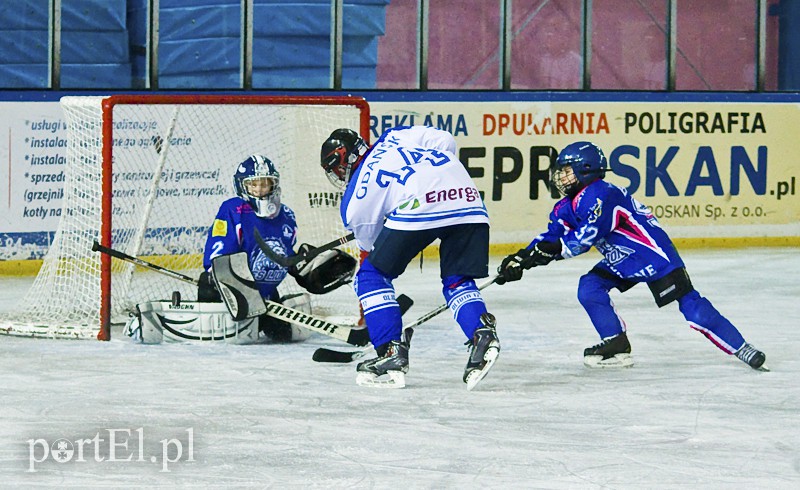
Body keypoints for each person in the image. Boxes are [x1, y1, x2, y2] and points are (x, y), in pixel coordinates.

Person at [496, 141, 768, 371]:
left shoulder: (603, 194)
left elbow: (583, 239)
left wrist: (546, 253)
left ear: (586, 170)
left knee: (692, 307)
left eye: (566, 172)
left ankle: (742, 347)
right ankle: (615, 342)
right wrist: (522, 258)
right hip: (621, 259)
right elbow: (554, 235)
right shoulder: (567, 205)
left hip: (652, 256)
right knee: (590, 287)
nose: (560, 178)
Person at [319, 126, 499, 389]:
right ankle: (482, 335)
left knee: (371, 276)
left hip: (421, 207)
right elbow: (446, 140)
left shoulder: (355, 196)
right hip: (469, 199)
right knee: (457, 279)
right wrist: (434, 180)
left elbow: (372, 246)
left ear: (343, 160)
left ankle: (390, 351)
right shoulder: (394, 136)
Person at [199, 154, 355, 342]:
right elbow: (219, 255)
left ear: (274, 184)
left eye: (264, 184)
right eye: (253, 184)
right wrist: (228, 283)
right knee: (233, 337)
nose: (259, 190)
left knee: (285, 335)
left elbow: (283, 255)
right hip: (229, 295)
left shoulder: (286, 214)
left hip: (266, 298)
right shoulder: (234, 209)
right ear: (242, 186)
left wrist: (301, 264)